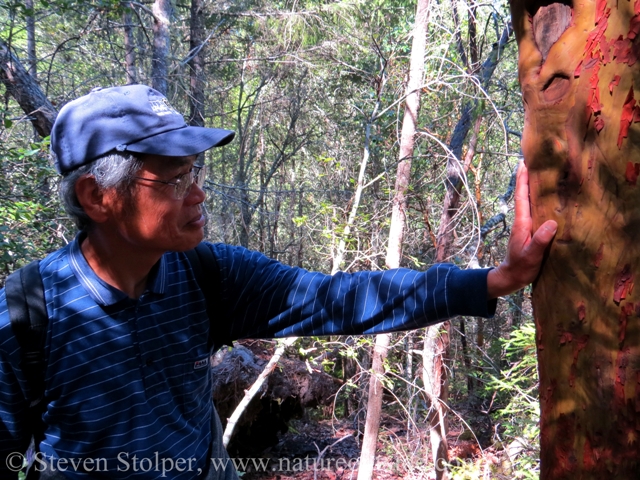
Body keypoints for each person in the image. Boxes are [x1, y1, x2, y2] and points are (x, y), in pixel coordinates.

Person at [0, 85, 557, 480]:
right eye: (172, 179)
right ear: (97, 197)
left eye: (195, 173)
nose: (197, 195)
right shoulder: (30, 311)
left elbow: (336, 300)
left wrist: (492, 281)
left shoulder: (207, 276)